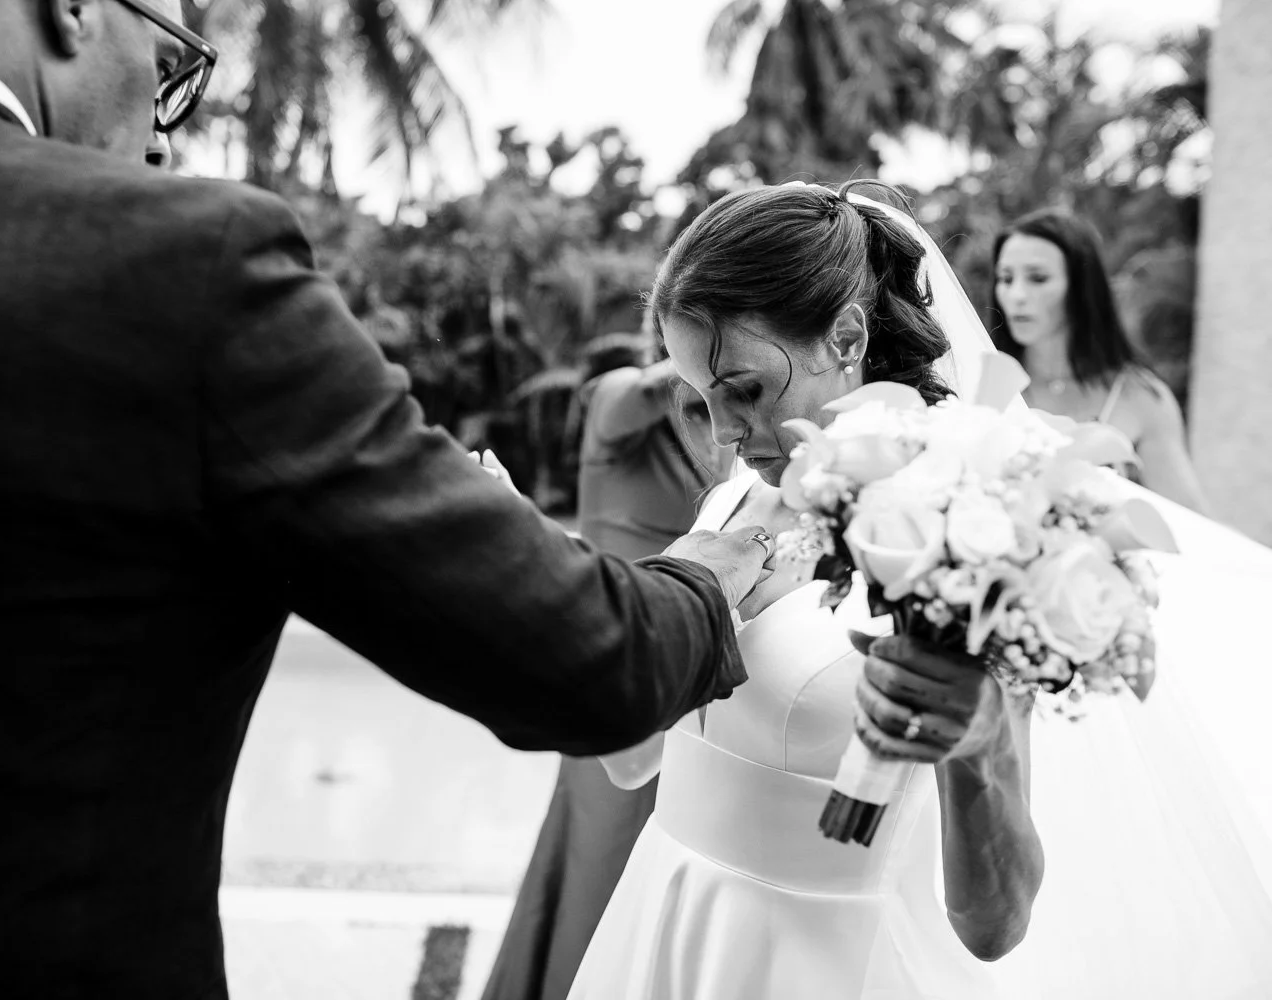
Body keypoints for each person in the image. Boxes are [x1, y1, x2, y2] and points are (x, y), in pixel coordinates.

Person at [0, 2, 788, 994]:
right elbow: (583, 663)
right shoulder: (178, 268)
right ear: (73, 10)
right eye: (172, 61)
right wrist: (706, 572)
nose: (164, 138)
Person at [566, 182, 1272, 1000]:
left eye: (747, 391)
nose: (723, 434)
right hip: (670, 923)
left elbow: (996, 924)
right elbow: (631, 764)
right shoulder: (733, 499)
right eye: (702, 399)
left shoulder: (963, 514)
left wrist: (981, 745)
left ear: (847, 334)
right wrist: (605, 598)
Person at [482, 338, 735, 1000]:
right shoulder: (614, 401)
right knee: (601, 858)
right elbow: (649, 387)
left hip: (676, 668)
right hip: (618, 668)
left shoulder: (697, 449)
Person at [991, 208, 1211, 513]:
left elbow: (1193, 524)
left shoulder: (1141, 398)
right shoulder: (989, 382)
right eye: (1005, 278)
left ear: (1081, 288)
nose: (1016, 294)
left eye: (1037, 278)